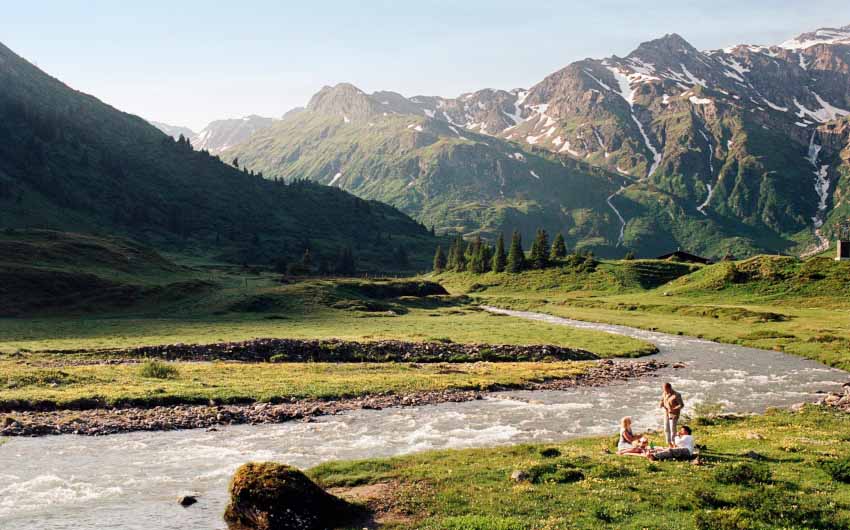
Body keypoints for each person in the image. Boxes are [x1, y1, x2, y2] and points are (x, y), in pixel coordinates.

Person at [659, 383, 684, 447]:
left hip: (674, 414)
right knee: (666, 429)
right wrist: (661, 404)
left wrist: (674, 409)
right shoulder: (664, 393)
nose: (665, 391)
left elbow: (681, 405)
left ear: (670, 388)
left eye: (666, 390)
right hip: (666, 413)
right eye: (664, 389)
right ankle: (669, 443)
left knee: (673, 429)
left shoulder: (677, 395)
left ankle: (674, 443)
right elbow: (662, 400)